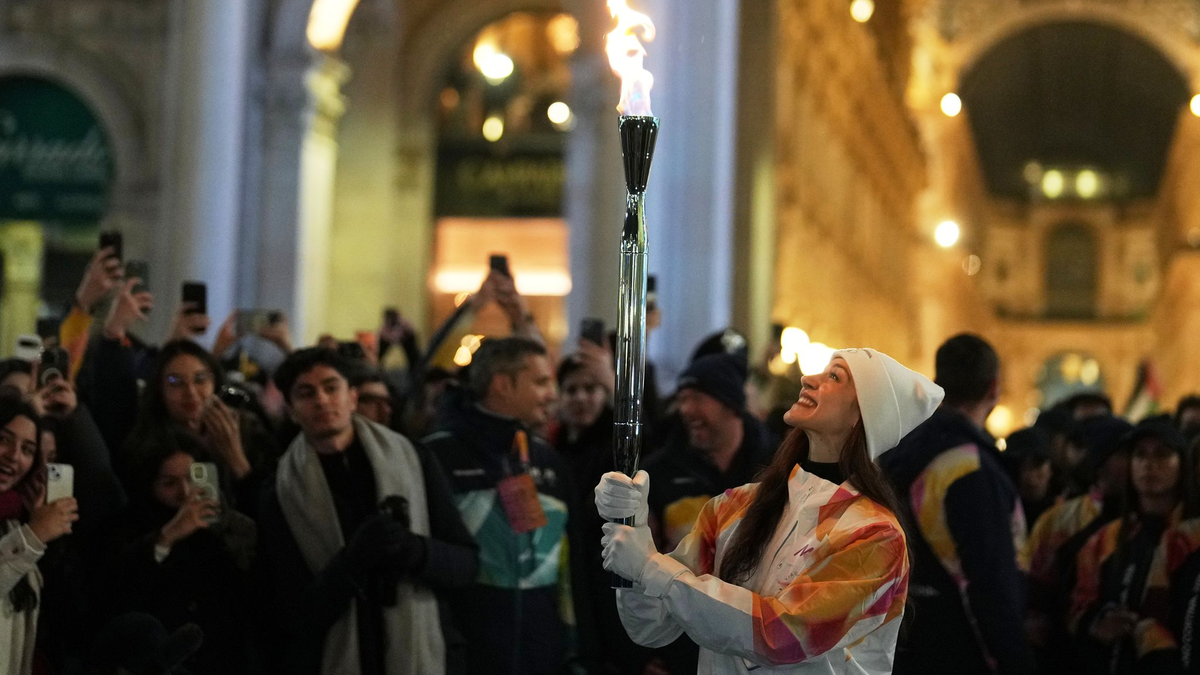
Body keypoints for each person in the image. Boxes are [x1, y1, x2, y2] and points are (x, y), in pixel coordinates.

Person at [595, 348, 942, 674]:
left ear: (862, 416)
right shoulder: (735, 506)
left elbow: (782, 635)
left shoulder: (873, 535)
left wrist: (650, 566)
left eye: (835, 378)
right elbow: (652, 626)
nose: (808, 379)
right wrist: (632, 532)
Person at [257, 348, 477, 675]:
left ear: (352, 397)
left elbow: (466, 564)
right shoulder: (281, 491)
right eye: (307, 393)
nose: (322, 400)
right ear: (291, 410)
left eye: (332, 387)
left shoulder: (413, 460)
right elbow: (291, 611)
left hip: (419, 648)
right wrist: (351, 563)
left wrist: (415, 551)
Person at [879, 333, 1035, 675]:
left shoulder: (892, 452)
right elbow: (989, 583)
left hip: (896, 644)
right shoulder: (971, 469)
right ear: (993, 388)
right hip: (957, 650)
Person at [422, 337, 578, 675]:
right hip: (465, 653)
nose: (552, 394)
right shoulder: (436, 456)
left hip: (544, 654)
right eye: (540, 382)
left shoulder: (546, 458)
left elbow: (572, 565)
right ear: (502, 385)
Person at [105, 430, 257, 675]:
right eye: (169, 483)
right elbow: (123, 591)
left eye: (192, 478)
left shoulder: (227, 527)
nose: (185, 492)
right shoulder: (127, 529)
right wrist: (168, 535)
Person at [1070, 417, 1195, 674]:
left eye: (1162, 454)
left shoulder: (1192, 539)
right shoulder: (1105, 540)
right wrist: (1096, 621)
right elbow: (1077, 603)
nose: (1149, 464)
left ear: (1182, 465)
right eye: (1140, 455)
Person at [1021, 415, 1133, 671]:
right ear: (1101, 463)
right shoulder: (1059, 521)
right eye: (1125, 453)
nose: (1138, 463)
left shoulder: (1147, 523)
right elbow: (1035, 595)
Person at [0, 397, 79, 675]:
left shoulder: (13, 520)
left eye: (27, 449)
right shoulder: (25, 534)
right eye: (4, 439)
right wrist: (33, 536)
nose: (13, 455)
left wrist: (37, 530)